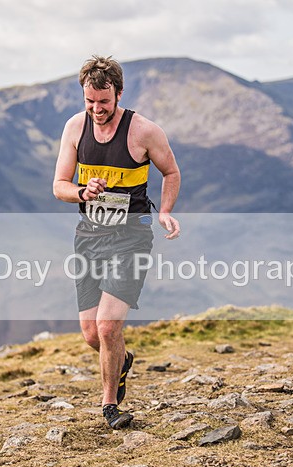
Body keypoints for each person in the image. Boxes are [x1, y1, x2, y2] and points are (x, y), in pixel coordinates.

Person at [52, 55, 181, 429]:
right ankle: (121, 360)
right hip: (88, 239)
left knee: (108, 328)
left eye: (103, 102)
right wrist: (81, 191)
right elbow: (59, 186)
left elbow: (170, 171)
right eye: (89, 102)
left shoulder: (144, 131)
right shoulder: (75, 128)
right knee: (92, 334)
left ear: (119, 94)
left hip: (130, 238)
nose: (96, 110)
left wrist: (165, 210)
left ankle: (110, 405)